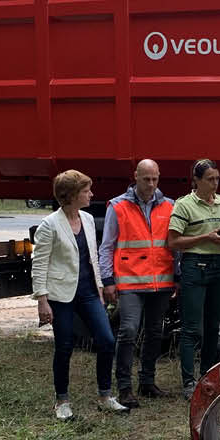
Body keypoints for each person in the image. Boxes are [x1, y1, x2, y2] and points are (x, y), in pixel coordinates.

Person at [32, 169, 128, 422]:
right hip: (60, 294)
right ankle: (62, 400)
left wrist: (99, 287)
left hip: (87, 292)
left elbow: (92, 257)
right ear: (72, 195)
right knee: (64, 347)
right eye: (86, 191)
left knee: (107, 340)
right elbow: (39, 265)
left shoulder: (86, 218)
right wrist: (42, 301)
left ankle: (105, 396)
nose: (91, 194)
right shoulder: (49, 225)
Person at [98, 159, 174, 408]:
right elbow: (107, 246)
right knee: (128, 331)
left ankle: (147, 382)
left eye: (155, 179)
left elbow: (174, 246)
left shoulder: (169, 206)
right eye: (146, 179)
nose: (151, 184)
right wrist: (108, 280)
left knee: (155, 332)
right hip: (130, 282)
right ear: (136, 177)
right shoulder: (118, 206)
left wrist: (178, 276)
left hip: (160, 282)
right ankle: (124, 387)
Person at [167, 158, 220, 399]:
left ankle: (207, 376)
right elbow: (173, 242)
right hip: (194, 266)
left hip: (219, 266)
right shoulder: (184, 205)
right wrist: (205, 237)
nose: (215, 184)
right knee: (192, 328)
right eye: (210, 179)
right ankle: (188, 382)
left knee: (212, 325)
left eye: (217, 179)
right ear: (196, 181)